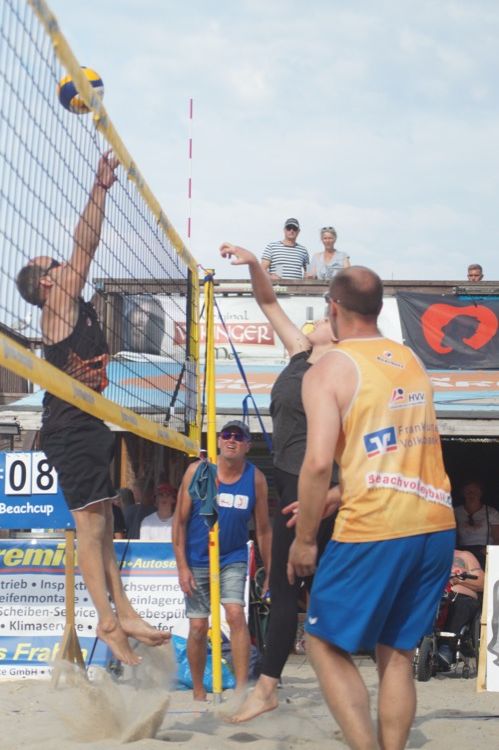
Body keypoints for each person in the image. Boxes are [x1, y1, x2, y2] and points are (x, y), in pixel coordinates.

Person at [288, 266, 456, 750]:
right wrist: (340, 493)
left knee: (322, 643)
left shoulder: (328, 370)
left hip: (378, 526)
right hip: (435, 524)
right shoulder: (409, 358)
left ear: (333, 307)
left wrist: (304, 541)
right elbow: (393, 449)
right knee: (396, 653)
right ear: (378, 308)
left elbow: (318, 463)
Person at [15, 151, 169, 666]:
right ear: (47, 284)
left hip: (86, 425)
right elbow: (85, 244)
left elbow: (80, 252)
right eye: (54, 266)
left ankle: (123, 611)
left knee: (103, 521)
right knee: (91, 527)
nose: (63, 265)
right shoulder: (57, 306)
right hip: (69, 430)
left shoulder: (70, 303)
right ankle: (106, 618)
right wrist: (99, 190)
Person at [219, 243, 339, 722]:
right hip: (289, 480)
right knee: (287, 589)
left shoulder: (343, 366)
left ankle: (273, 687)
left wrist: (332, 493)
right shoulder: (300, 353)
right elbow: (268, 302)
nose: (316, 322)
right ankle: (270, 687)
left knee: (317, 593)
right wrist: (254, 263)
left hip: (321, 487)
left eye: (325, 316)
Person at [173, 420, 272, 700]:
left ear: (247, 445)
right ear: (218, 440)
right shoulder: (198, 471)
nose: (232, 440)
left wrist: (270, 572)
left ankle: (240, 689)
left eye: (238, 437)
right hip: (197, 559)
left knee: (235, 614)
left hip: (232, 557)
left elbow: (264, 529)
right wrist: (182, 567)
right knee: (198, 627)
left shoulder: (256, 478)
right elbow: (179, 522)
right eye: (227, 435)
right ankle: (198, 690)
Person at [438, 549, 484, 669]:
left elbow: (482, 582)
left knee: (460, 603)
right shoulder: (425, 553)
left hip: (460, 599)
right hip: (434, 597)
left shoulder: (465, 556)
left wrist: (458, 579)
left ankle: (446, 648)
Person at [454, 480, 499, 568]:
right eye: (468, 491)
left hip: (485, 552)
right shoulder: (456, 512)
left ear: (480, 493)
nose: (471, 494)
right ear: (463, 493)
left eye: (475, 491)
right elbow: (451, 536)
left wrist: (489, 550)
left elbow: (498, 538)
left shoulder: (492, 512)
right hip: (463, 553)